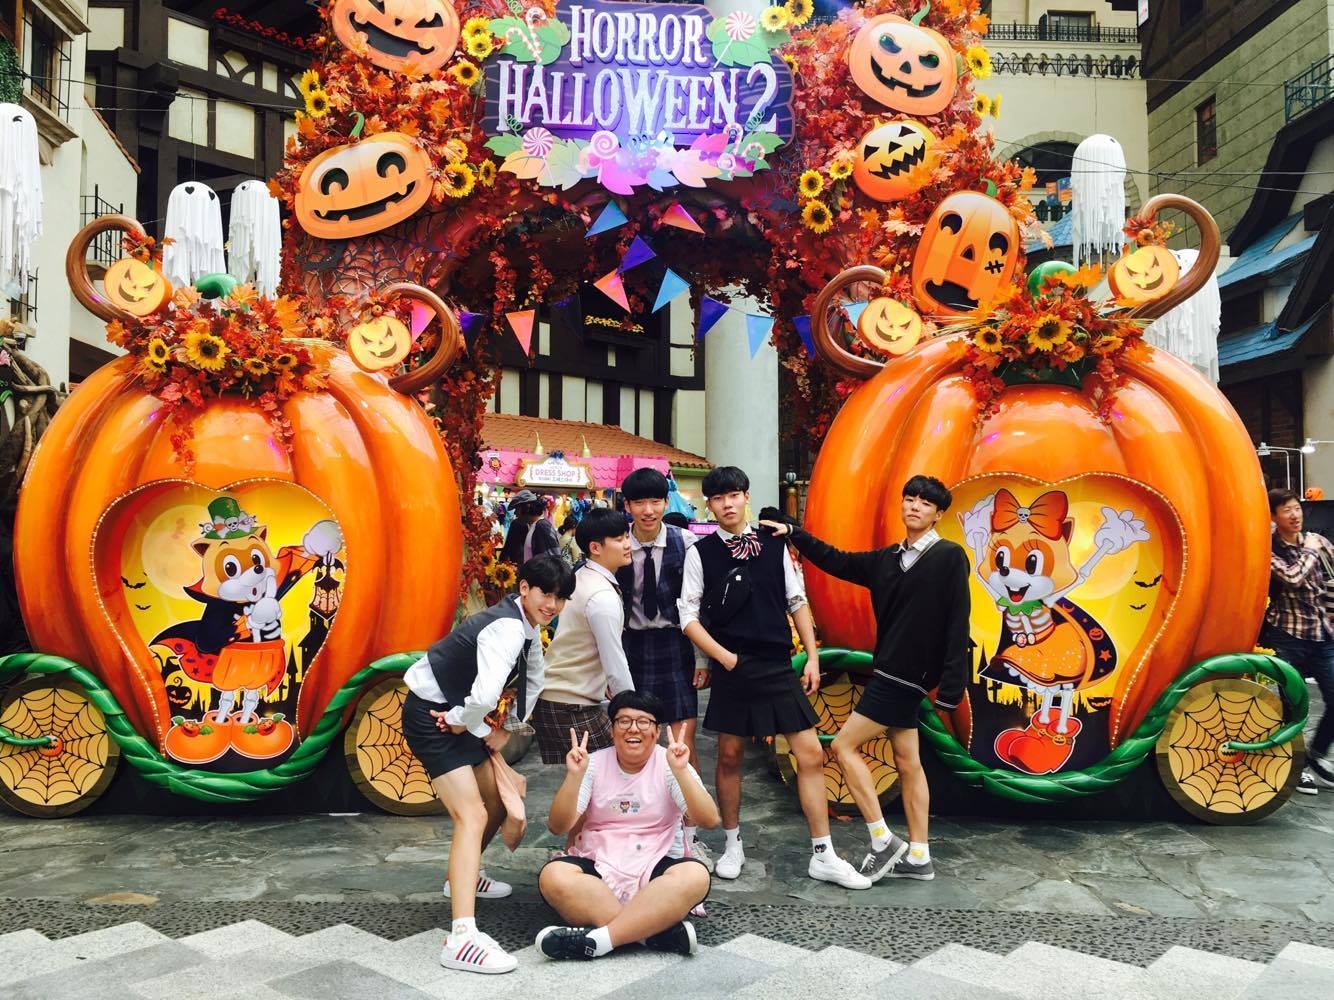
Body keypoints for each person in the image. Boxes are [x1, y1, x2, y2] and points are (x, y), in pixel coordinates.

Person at [760, 474, 971, 882]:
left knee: (842, 746)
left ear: (938, 514)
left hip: (905, 676)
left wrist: (951, 685)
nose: (915, 506)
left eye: (925, 503)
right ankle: (919, 856)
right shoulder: (887, 559)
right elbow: (837, 560)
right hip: (891, 669)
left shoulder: (949, 556)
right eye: (910, 499)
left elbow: (958, 621)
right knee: (908, 761)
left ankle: (882, 840)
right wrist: (794, 533)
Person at [679, 466, 871, 889]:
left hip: (777, 663)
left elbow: (796, 600)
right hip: (733, 664)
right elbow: (688, 616)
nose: (727, 504)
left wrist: (813, 657)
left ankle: (823, 853)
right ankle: (732, 845)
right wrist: (724, 659)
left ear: (746, 497)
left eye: (733, 495)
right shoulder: (700, 552)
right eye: (718, 498)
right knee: (729, 756)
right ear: (709, 505)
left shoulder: (773, 544)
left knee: (810, 755)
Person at [400, 552, 576, 974]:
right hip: (433, 716)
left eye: (560, 597)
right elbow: (483, 695)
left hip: (457, 716)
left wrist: (506, 728)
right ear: (524, 589)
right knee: (473, 815)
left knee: (497, 801)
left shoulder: (527, 626)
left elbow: (535, 680)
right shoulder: (508, 628)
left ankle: (460, 877)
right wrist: (463, 722)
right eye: (546, 593)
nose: (552, 604)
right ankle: (461, 939)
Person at [536, 690, 718, 961]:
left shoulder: (670, 763)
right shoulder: (592, 764)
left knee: (695, 876)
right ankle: (651, 934)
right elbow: (558, 826)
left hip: (656, 861)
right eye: (624, 721)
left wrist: (681, 770)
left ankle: (601, 940)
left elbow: (709, 820)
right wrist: (574, 776)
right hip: (600, 860)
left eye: (643, 722)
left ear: (656, 731)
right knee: (554, 876)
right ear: (612, 730)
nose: (633, 728)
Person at [617, 467, 713, 870]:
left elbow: (698, 605)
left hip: (676, 646)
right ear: (627, 506)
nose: (648, 510)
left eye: (655, 501)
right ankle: (638, 834)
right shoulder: (617, 544)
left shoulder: (687, 543)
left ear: (665, 501)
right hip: (632, 648)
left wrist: (703, 658)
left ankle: (689, 840)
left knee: (682, 749)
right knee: (632, 747)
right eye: (639, 502)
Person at [533, 508, 636, 764]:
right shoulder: (601, 596)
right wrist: (633, 711)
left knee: (585, 779)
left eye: (627, 536)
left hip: (560, 697)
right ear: (595, 547)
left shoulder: (581, 575)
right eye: (619, 539)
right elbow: (614, 660)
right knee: (615, 769)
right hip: (570, 704)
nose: (627, 544)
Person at [1263, 488, 1334, 794]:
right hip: (1288, 636)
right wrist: (1311, 550)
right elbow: (1292, 577)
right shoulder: (1270, 551)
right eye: (1287, 510)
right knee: (1293, 706)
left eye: (1297, 508)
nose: (1295, 515)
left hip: (1323, 634)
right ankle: (1297, 768)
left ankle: (1315, 755)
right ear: (1273, 517)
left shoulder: (1317, 542)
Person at [499, 489, 559, 565]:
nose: (515, 513)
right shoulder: (534, 526)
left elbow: (552, 561)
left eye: (517, 509)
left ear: (526, 508)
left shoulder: (542, 527)